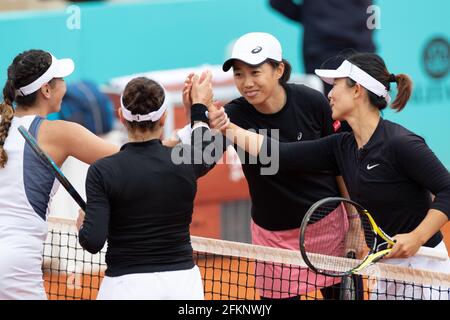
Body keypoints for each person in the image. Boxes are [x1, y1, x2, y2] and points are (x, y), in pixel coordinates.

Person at [210, 52, 450, 299]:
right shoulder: (341, 146)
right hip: (388, 271)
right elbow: (281, 154)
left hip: (425, 267)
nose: (330, 95)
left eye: (335, 86)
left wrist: (416, 238)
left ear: (357, 90)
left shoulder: (401, 143)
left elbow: (447, 190)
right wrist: (226, 126)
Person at [184, 32, 349, 300]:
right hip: (274, 241)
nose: (247, 83)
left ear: (278, 69)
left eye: (255, 72)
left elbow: (340, 164)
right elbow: (197, 162)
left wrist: (354, 221)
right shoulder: (233, 114)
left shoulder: (312, 101)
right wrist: (198, 110)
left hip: (328, 230)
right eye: (239, 74)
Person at [76, 73, 215, 300]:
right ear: (163, 119)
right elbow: (206, 150)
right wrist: (198, 108)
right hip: (181, 286)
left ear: (121, 116)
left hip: (125, 287)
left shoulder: (102, 171)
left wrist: (84, 226)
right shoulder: (186, 161)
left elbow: (93, 242)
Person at [0, 49, 119, 300]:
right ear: (46, 90)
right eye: (61, 79)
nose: (65, 85)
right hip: (15, 266)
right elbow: (132, 160)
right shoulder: (60, 133)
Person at [269, 0, 376, 96]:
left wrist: (310, 17)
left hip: (321, 49)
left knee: (322, 109)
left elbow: (278, 2)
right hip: (359, 48)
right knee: (359, 109)